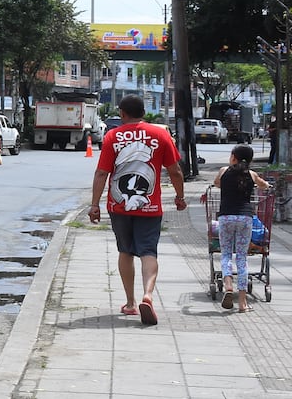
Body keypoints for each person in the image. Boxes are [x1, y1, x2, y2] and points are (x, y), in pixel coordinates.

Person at [89, 94, 188, 326]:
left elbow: (102, 173)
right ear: (144, 112)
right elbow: (175, 171)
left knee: (125, 251)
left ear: (122, 113)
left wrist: (94, 204)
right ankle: (148, 295)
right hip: (150, 206)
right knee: (148, 252)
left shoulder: (112, 136)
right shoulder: (161, 134)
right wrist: (180, 197)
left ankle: (131, 303)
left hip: (118, 205)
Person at [206, 143, 270, 312]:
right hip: (245, 218)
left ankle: (228, 286)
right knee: (241, 257)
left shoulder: (223, 171)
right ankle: (242, 303)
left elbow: (217, 183)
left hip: (226, 217)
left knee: (226, 254)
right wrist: (264, 185)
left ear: (233, 157)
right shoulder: (252, 174)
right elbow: (263, 185)